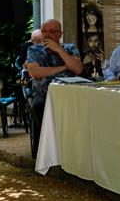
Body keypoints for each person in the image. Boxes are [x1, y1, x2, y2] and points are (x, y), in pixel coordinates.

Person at [26, 19, 84, 158]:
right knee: (39, 106)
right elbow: (35, 72)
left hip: (69, 94)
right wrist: (64, 67)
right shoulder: (34, 50)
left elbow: (77, 69)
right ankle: (45, 150)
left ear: (60, 34)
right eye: (44, 31)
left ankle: (74, 150)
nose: (47, 35)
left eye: (52, 32)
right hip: (45, 93)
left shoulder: (70, 48)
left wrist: (59, 50)